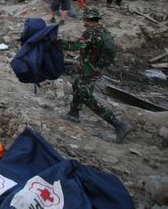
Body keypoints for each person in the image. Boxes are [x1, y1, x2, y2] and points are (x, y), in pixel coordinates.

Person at [57, 8, 132, 143]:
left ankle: (118, 124)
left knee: (86, 95)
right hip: (96, 68)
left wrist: (57, 42)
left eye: (85, 19)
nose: (83, 22)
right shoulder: (103, 31)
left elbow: (75, 46)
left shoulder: (91, 32)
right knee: (77, 85)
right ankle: (74, 112)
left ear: (88, 20)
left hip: (89, 69)